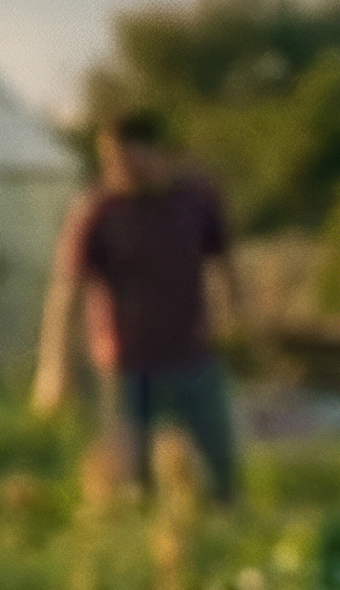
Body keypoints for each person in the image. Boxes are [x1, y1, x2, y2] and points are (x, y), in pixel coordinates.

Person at [37, 110, 244, 507]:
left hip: (192, 355)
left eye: (125, 160)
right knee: (133, 479)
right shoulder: (98, 210)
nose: (117, 171)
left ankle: (222, 517)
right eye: (110, 162)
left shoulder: (196, 200)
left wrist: (239, 318)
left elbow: (227, 263)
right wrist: (55, 367)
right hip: (125, 366)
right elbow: (66, 293)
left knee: (220, 469)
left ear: (156, 152)